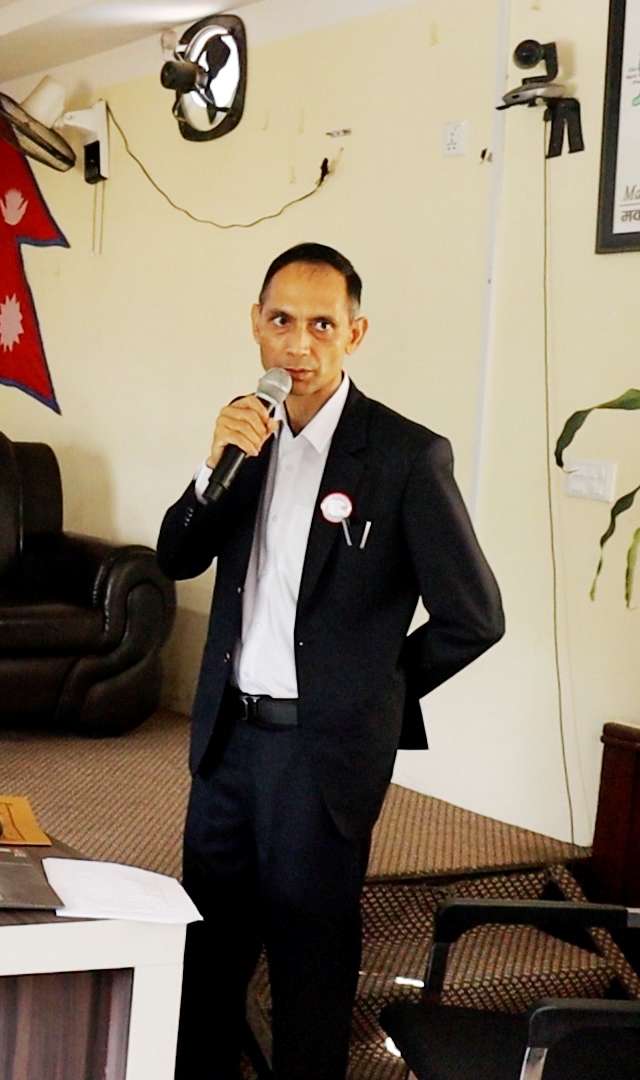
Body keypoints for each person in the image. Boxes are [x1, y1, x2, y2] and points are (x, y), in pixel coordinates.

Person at [156, 242, 505, 1079]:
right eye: (282, 321)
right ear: (256, 324)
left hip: (319, 756)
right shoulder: (248, 437)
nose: (298, 344)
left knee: (309, 972)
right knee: (206, 960)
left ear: (356, 333)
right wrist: (210, 466)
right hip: (226, 745)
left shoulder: (404, 457)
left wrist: (371, 693)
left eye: (322, 325)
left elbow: (475, 617)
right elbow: (175, 557)